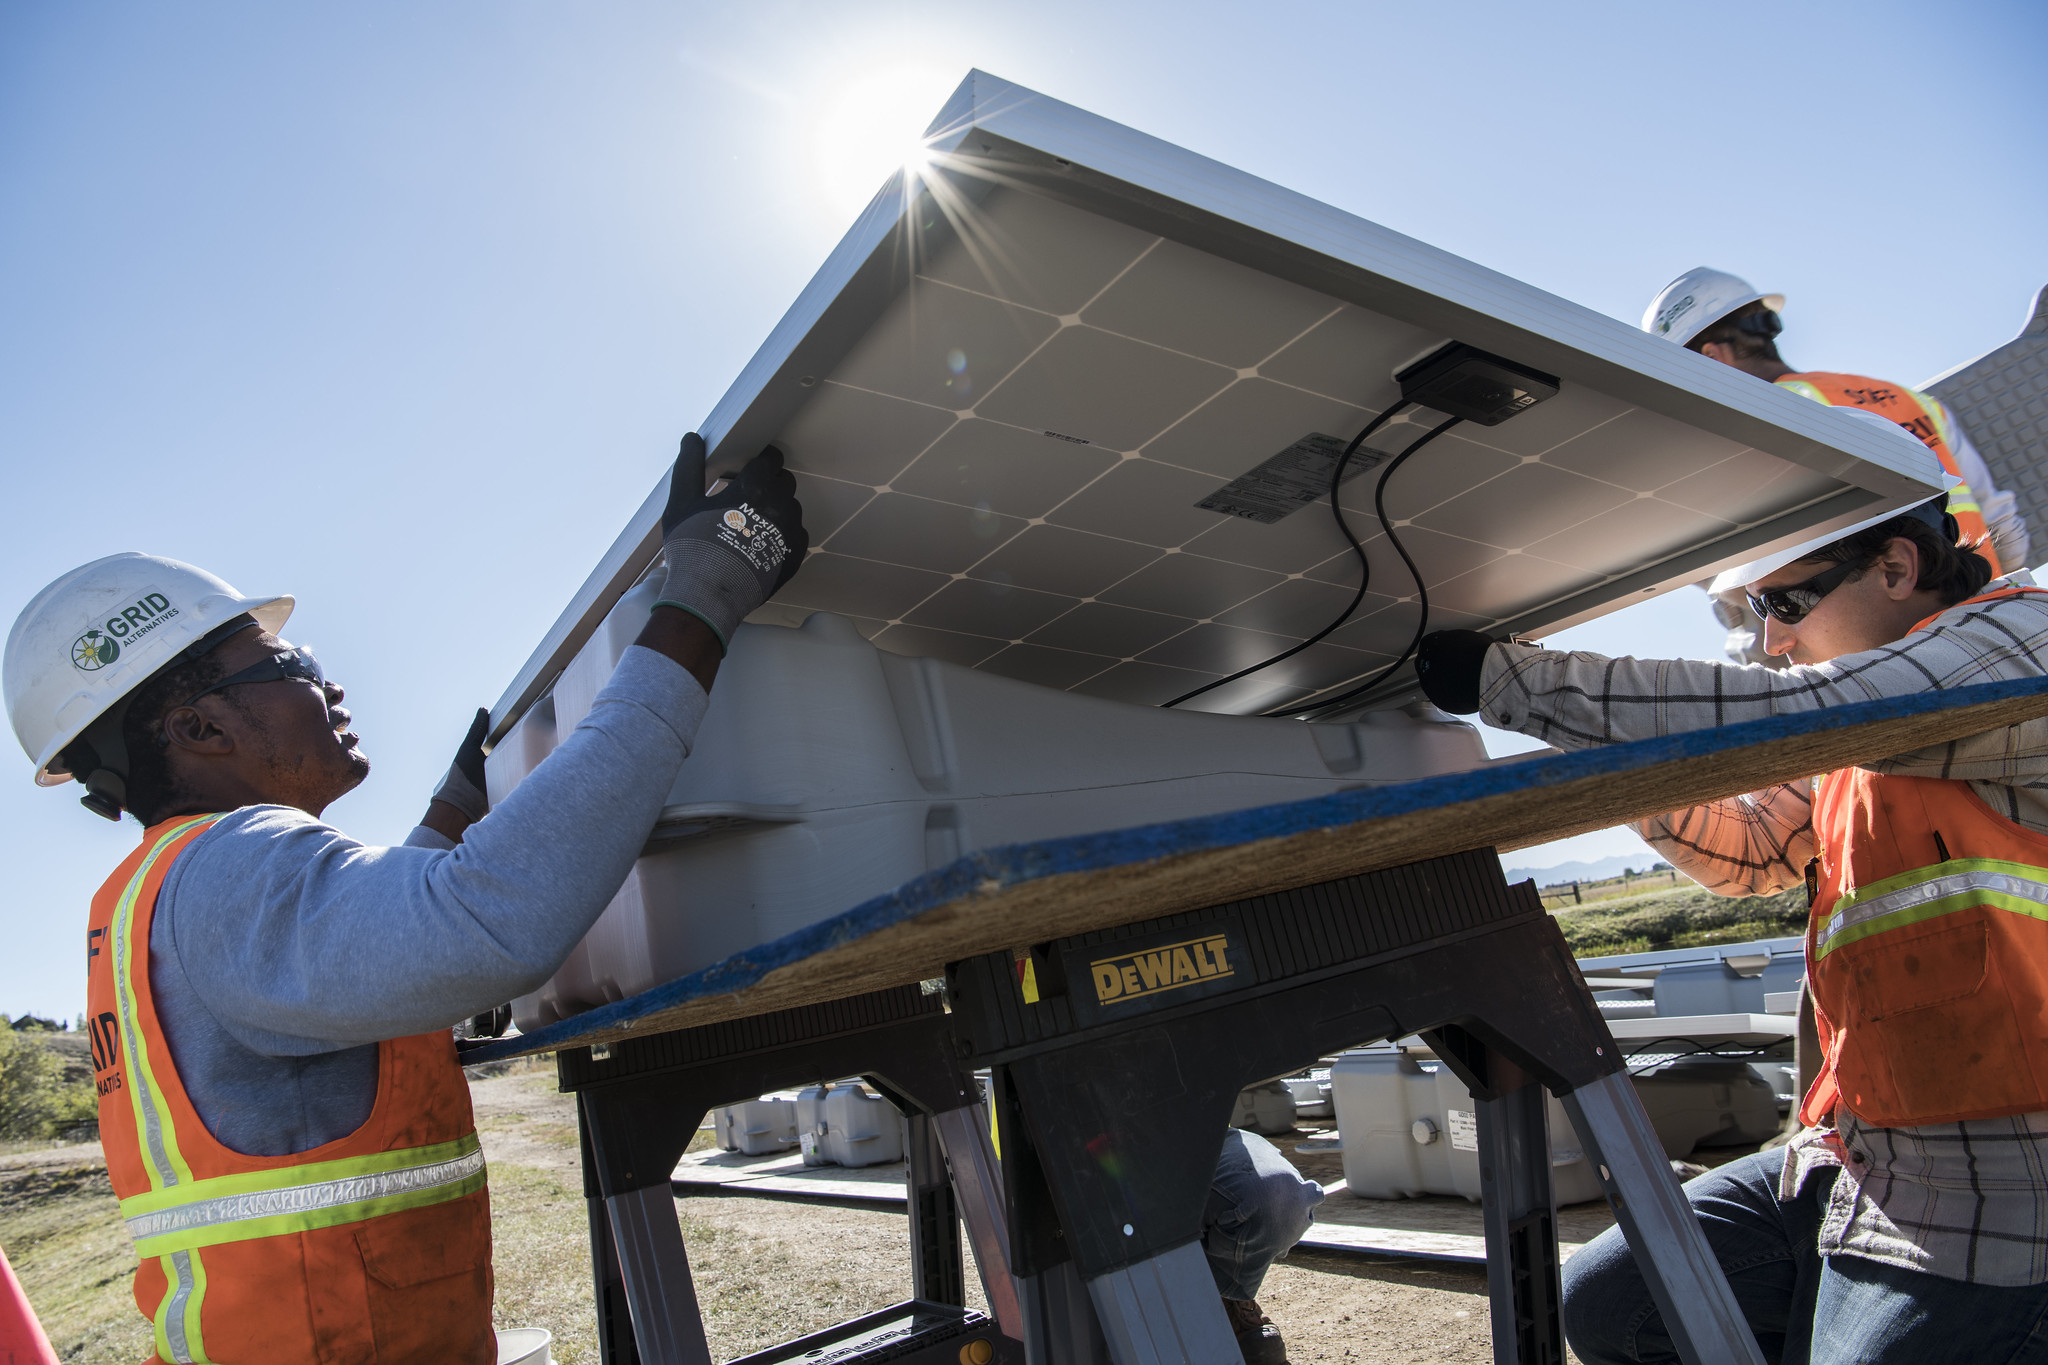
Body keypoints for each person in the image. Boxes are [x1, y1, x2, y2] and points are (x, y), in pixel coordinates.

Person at [5, 437, 1321, 1362]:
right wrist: (698, 602)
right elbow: (478, 930)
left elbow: (354, 967)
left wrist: (454, 816)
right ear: (196, 724)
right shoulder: (238, 873)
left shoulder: (166, 899)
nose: (325, 678)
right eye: (284, 659)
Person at [1411, 493, 2048, 1363]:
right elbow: (1746, 848)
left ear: (1898, 567)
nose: (1773, 640)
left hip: (2010, 1185)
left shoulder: (2020, 641)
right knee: (1615, 1305)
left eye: (1786, 603)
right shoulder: (1865, 735)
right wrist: (1601, 745)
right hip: (1863, 1154)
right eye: (1759, 611)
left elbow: (1797, 712)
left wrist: (1512, 682)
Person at [1643, 267, 2031, 667]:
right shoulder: (1902, 399)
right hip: (1980, 613)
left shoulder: (1756, 431)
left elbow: (1759, 587)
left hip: (1880, 655)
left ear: (1711, 358)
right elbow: (2005, 527)